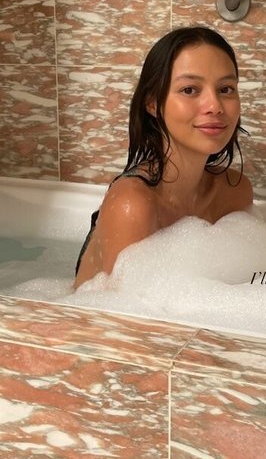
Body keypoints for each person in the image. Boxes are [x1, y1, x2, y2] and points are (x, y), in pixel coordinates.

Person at [74, 26, 253, 289]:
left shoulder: (235, 192)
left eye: (226, 89)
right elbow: (119, 310)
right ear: (153, 104)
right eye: (190, 90)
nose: (215, 106)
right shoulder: (133, 204)